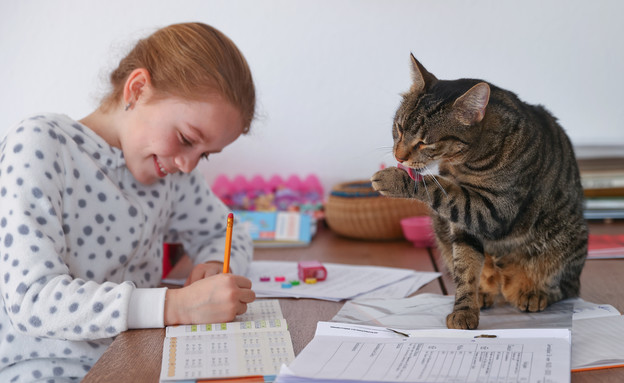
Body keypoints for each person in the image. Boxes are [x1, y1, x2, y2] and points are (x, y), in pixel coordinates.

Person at [0, 22, 256, 382]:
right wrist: (178, 306)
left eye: (205, 155)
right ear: (136, 89)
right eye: (185, 138)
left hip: (141, 360)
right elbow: (32, 300)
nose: (188, 164)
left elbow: (227, 231)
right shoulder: (40, 144)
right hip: (45, 370)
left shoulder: (173, 175)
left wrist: (215, 263)